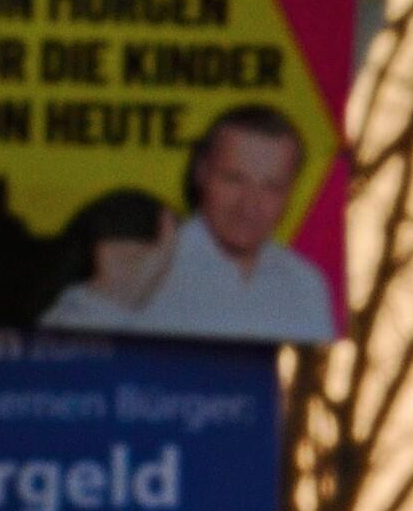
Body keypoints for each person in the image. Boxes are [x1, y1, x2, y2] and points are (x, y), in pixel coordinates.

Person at [41, 109, 330, 343]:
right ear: (201, 173)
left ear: (292, 191)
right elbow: (46, 361)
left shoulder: (305, 285)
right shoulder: (147, 259)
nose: (249, 206)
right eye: (233, 179)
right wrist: (112, 297)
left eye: (272, 187)